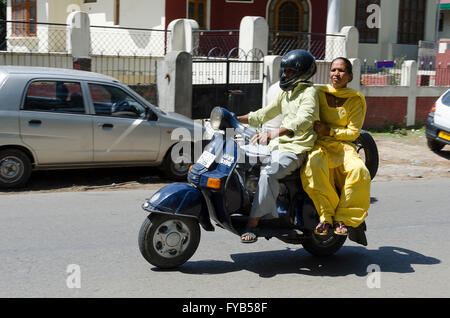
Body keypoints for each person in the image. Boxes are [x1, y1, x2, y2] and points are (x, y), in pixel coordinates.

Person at [236, 49, 319, 243]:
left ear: (302, 73)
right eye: (284, 71)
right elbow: (264, 113)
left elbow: (303, 120)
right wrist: (235, 118)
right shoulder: (287, 94)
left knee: (269, 172)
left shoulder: (309, 93)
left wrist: (274, 133)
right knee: (240, 157)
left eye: (289, 71)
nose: (284, 75)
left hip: (296, 149)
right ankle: (247, 201)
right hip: (278, 146)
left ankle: (254, 223)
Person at [300, 57, 371, 236]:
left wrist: (329, 131)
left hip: (343, 146)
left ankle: (343, 219)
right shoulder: (318, 92)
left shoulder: (355, 99)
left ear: (350, 76)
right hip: (320, 144)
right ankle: (325, 216)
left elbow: (354, 132)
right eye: (333, 70)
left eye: (341, 71)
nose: (336, 74)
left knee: (359, 171)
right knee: (313, 167)